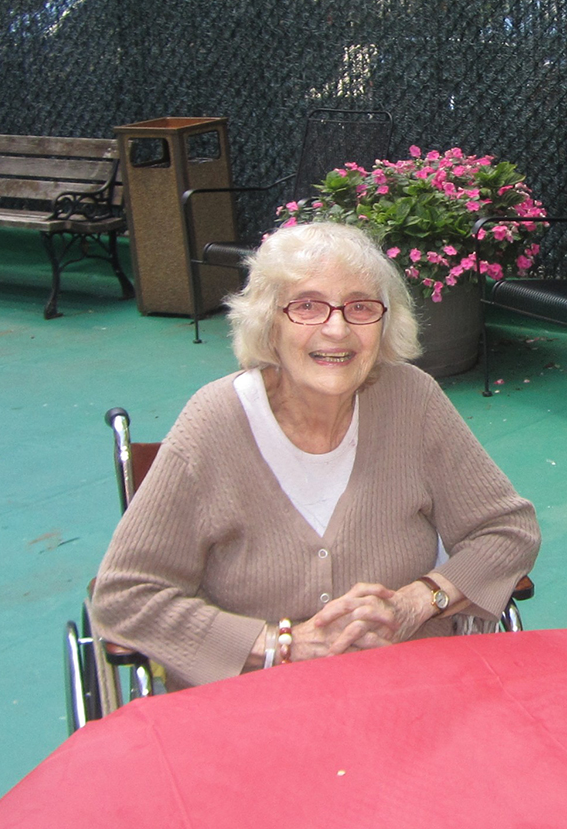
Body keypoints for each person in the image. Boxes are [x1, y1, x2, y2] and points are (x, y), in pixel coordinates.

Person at [92, 221, 540, 690]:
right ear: (269, 322)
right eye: (307, 306)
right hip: (255, 704)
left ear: (385, 322)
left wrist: (418, 602)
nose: (337, 329)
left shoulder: (412, 399)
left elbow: (507, 530)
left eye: (360, 307)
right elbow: (126, 596)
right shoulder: (214, 421)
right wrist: (282, 644)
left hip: (410, 688)